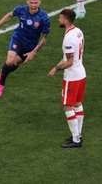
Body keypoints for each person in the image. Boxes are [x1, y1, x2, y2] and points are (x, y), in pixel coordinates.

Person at [0, 0, 50, 98]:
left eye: (36, 3)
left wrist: (34, 52)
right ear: (27, 2)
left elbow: (44, 38)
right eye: (31, 3)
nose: (33, 5)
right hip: (18, 38)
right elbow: (9, 15)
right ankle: (1, 84)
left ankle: (2, 74)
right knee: (10, 60)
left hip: (30, 45)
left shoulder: (44, 18)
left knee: (14, 64)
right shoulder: (21, 10)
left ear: (40, 2)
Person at [48, 9, 86, 148]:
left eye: (60, 18)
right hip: (81, 73)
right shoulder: (78, 31)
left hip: (72, 77)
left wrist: (55, 68)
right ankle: (78, 135)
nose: (58, 20)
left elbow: (69, 61)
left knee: (68, 106)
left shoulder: (68, 38)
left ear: (65, 19)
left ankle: (76, 140)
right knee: (77, 104)